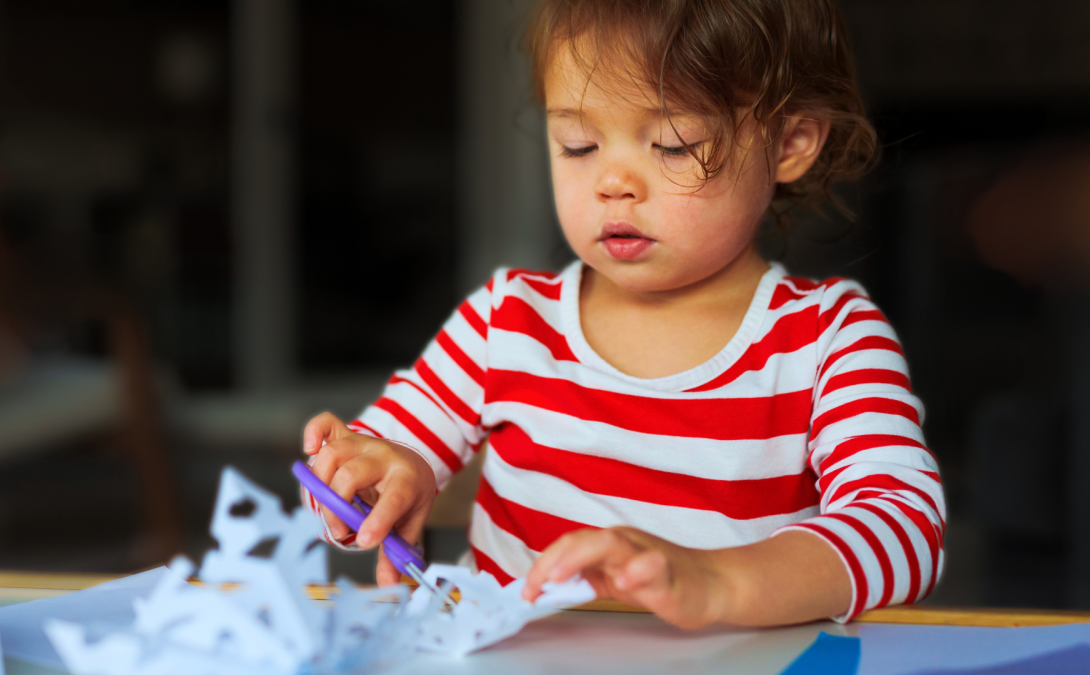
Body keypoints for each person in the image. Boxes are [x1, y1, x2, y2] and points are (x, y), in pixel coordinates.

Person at [301, 0, 943, 628]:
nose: (613, 182)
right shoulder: (507, 321)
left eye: (671, 143)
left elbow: (905, 528)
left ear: (791, 142)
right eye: (578, 145)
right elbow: (369, 470)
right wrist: (370, 478)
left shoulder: (828, 338)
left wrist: (717, 583)